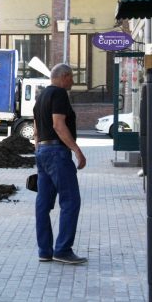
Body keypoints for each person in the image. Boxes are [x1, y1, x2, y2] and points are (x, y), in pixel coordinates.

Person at [33, 63, 87, 265]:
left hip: (43, 153)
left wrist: (38, 150)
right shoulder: (59, 94)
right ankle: (63, 250)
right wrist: (76, 150)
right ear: (64, 76)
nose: (73, 81)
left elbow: (37, 129)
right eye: (72, 77)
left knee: (43, 204)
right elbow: (58, 124)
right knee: (71, 201)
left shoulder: (41, 97)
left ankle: (44, 251)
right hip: (57, 153)